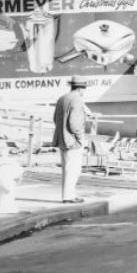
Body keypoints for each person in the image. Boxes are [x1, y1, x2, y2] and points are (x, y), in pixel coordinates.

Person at [53, 76, 89, 204]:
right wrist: (80, 139)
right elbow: (75, 124)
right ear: (81, 89)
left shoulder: (62, 98)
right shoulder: (77, 100)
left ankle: (69, 194)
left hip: (62, 139)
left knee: (67, 169)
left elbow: (55, 119)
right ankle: (68, 197)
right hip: (73, 140)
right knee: (73, 169)